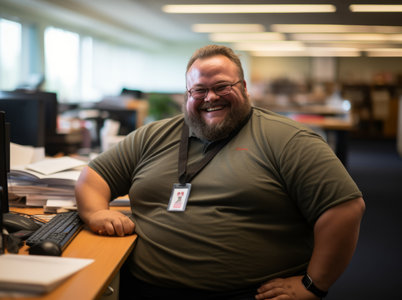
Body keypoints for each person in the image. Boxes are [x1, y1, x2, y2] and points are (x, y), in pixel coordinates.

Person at [75, 45, 365, 300]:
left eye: (222, 86)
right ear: (188, 94)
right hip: (142, 287)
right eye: (199, 90)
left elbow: (344, 208)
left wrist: (313, 285)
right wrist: (96, 213)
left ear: (244, 87)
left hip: (244, 294)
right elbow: (94, 177)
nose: (210, 97)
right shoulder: (153, 135)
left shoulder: (288, 139)